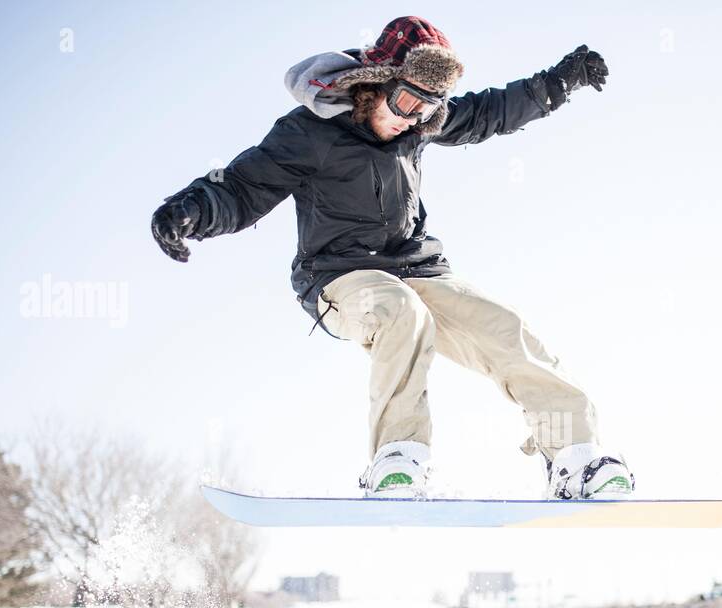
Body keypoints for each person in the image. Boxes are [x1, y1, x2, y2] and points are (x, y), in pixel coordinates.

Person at [151, 15, 634, 500]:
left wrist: (559, 83)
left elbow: (491, 112)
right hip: (340, 278)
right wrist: (188, 211)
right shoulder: (310, 133)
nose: (412, 119)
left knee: (502, 328)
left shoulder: (417, 124)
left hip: (418, 268)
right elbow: (243, 186)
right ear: (376, 85)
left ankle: (576, 456)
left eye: (428, 111)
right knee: (402, 312)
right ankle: (400, 458)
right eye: (406, 103)